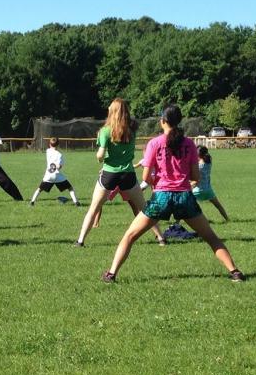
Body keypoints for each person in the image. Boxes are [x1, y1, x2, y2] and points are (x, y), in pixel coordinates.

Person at [102, 105, 245, 283]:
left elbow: (146, 176)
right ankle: (235, 272)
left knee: (129, 236)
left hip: (161, 196)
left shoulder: (154, 143)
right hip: (184, 196)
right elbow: (195, 176)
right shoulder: (189, 144)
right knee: (210, 237)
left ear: (163, 121)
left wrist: (159, 184)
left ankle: (111, 274)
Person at [75, 98, 163, 246]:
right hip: (128, 174)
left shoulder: (105, 131)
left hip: (109, 175)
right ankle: (161, 238)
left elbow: (100, 155)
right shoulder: (132, 130)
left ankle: (80, 241)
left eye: (110, 106)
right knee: (145, 208)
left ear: (113, 111)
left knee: (93, 209)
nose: (108, 107)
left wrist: (98, 157)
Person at [29, 138, 80, 205]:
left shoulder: (48, 151)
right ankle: (76, 202)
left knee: (40, 189)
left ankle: (32, 201)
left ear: (49, 144)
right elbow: (59, 167)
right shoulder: (60, 155)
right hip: (57, 176)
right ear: (58, 145)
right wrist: (58, 166)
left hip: (48, 175)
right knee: (70, 188)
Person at [192, 145, 230, 222]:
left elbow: (196, 181)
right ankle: (227, 219)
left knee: (185, 205)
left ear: (198, 155)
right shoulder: (209, 163)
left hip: (198, 190)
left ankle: (177, 223)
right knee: (218, 206)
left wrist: (189, 185)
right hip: (208, 190)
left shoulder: (198, 166)